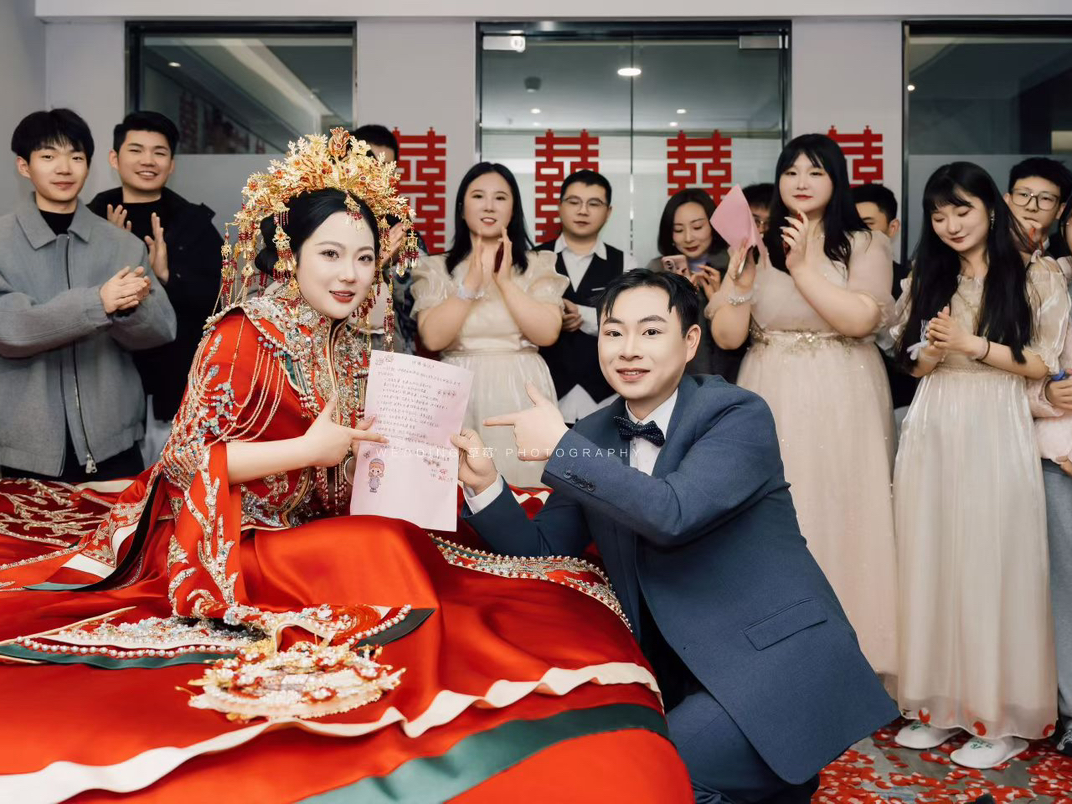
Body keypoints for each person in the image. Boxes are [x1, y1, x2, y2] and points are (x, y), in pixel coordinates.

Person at [0, 132, 692, 802]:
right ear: (290, 253)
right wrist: (309, 452)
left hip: (314, 521)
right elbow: (184, 460)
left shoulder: (354, 336)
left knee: (414, 535)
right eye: (330, 254)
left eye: (364, 258)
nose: (350, 274)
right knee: (383, 546)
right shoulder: (245, 333)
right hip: (237, 534)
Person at [455, 268, 897, 803]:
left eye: (650, 331)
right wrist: (485, 485)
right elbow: (543, 552)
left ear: (690, 343)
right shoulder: (594, 434)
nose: (628, 349)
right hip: (687, 677)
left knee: (649, 774)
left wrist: (562, 447)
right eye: (614, 332)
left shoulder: (735, 414)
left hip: (780, 663)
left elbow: (673, 513)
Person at [889, 161, 1068, 769]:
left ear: (991, 207)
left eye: (961, 209)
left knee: (994, 562)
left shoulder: (1036, 272)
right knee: (931, 558)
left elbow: (1044, 361)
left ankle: (1001, 716)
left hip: (996, 421)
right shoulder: (930, 274)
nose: (950, 224)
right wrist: (932, 352)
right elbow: (910, 362)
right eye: (938, 214)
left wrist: (973, 346)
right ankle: (939, 705)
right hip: (934, 422)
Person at [708, 133, 899, 679]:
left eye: (815, 172)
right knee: (773, 512)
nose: (801, 182)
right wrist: (742, 279)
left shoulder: (863, 242)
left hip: (843, 386)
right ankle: (774, 656)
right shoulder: (757, 242)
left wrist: (805, 267)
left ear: (836, 180)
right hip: (770, 383)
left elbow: (860, 320)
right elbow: (726, 336)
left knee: (845, 507)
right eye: (791, 172)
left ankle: (854, 655)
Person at [0, 108, 176, 482]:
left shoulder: (122, 245)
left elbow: (162, 330)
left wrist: (129, 309)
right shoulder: (2, 242)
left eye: (76, 157)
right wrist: (99, 303)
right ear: (24, 166)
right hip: (19, 449)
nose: (64, 168)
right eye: (48, 156)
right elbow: (8, 330)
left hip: (114, 444)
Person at [410, 162, 567, 487]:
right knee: (458, 490)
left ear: (514, 209)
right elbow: (433, 339)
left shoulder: (539, 264)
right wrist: (469, 286)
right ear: (462, 207)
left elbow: (547, 333)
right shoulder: (436, 267)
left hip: (522, 386)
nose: (489, 206)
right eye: (478, 196)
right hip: (458, 390)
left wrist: (505, 282)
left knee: (527, 487)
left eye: (500, 197)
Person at [87, 111, 223, 465]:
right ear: (114, 158)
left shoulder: (193, 222)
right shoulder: (89, 218)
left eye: (159, 152)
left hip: (174, 380)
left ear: (171, 164)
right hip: (104, 376)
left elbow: (218, 299)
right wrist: (110, 251)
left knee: (171, 475)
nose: (148, 160)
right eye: (136, 150)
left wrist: (166, 277)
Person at [536, 169, 637, 423]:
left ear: (608, 212)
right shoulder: (533, 259)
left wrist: (582, 315)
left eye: (594, 204)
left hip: (606, 399)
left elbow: (633, 323)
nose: (583, 211)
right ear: (560, 206)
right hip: (544, 395)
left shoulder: (625, 263)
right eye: (574, 202)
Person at [1029, 198, 1072, 756]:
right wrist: (1042, 394)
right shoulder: (1042, 280)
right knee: (1063, 590)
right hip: (1056, 453)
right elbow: (1013, 368)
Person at [648, 188, 743, 380]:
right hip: (672, 377)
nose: (689, 238)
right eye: (678, 230)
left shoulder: (734, 269)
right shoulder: (656, 273)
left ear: (713, 227)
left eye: (697, 227)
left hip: (729, 374)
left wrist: (720, 298)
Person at [352, 123, 421, 355]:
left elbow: (415, 310)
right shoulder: (321, 221)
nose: (377, 178)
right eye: (368, 166)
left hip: (391, 352)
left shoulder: (403, 231)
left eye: (386, 170)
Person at [853, 183, 919, 418]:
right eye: (851, 224)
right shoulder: (827, 283)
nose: (857, 234)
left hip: (898, 404)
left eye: (868, 224)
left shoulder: (910, 283)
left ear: (893, 228)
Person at [1004, 157, 1072, 259]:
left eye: (1045, 198)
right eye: (1024, 194)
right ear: (1007, 200)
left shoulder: (1063, 260)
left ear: (1060, 210)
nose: (1032, 207)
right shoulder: (985, 245)